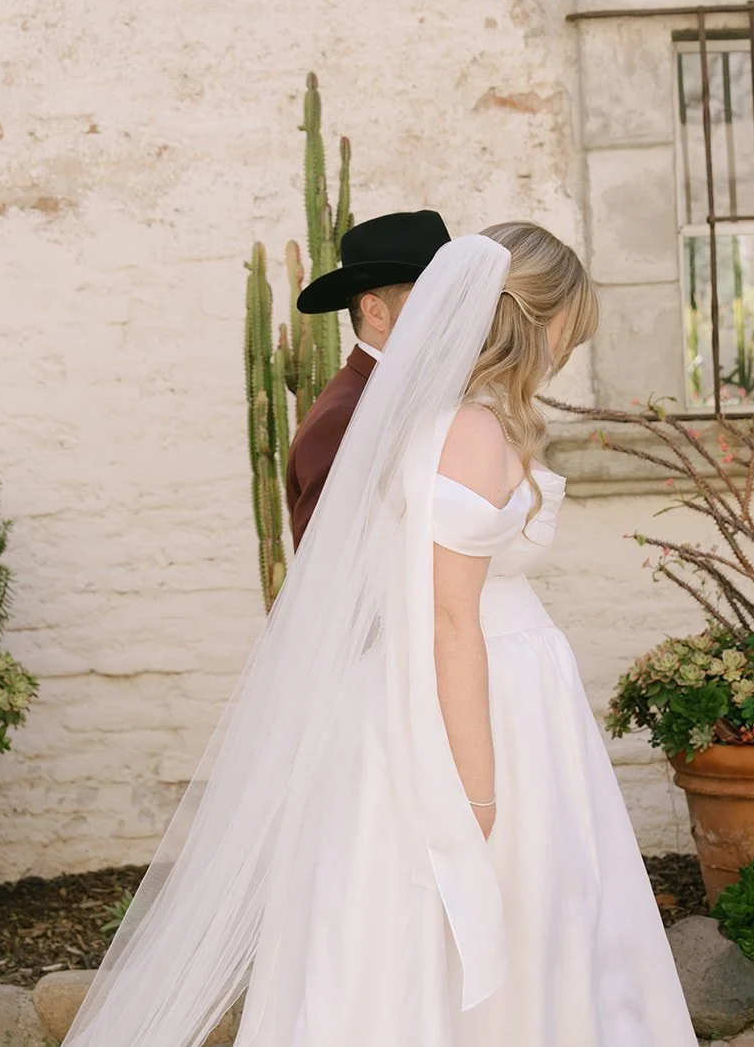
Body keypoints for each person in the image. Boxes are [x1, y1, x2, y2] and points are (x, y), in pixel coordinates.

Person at [62, 224, 696, 1047]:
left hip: (511, 694)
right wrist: (477, 794)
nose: (567, 352)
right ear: (536, 321)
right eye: (567, 331)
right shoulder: (466, 428)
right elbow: (447, 615)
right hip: (478, 702)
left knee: (540, 921)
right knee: (475, 922)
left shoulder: (447, 414)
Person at [286, 209, 451, 547]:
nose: (451, 314)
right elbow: (328, 560)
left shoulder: (419, 393)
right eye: (432, 299)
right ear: (376, 312)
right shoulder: (341, 417)